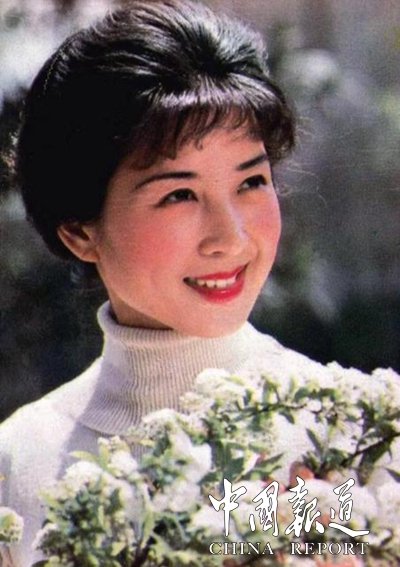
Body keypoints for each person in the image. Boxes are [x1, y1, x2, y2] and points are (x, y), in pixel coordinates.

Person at [0, 1, 397, 566]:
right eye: (179, 194)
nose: (230, 238)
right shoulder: (22, 464)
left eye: (251, 182)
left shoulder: (342, 430)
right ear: (80, 232)